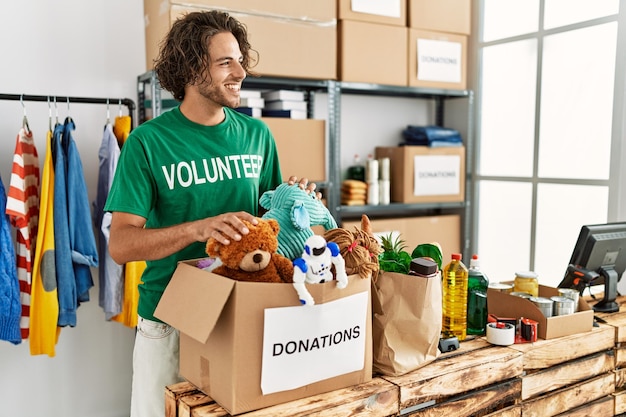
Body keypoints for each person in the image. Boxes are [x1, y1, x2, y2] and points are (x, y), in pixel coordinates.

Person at [104, 10, 317, 417]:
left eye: (240, 59)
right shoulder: (147, 143)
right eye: (225, 62)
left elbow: (270, 228)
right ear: (190, 69)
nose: (241, 71)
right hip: (170, 323)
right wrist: (197, 229)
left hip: (243, 315)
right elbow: (121, 245)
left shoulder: (257, 135)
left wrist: (298, 204)